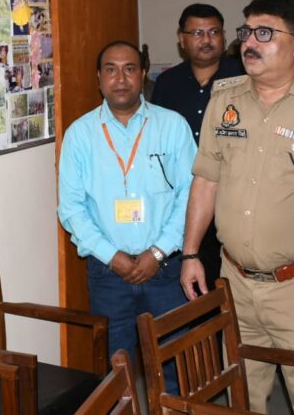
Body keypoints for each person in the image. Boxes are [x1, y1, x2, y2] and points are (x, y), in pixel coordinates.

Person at [180, 0, 294, 415]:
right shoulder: (225, 99)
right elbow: (206, 179)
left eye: (264, 33)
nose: (249, 43)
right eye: (246, 32)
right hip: (235, 280)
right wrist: (190, 253)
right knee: (242, 393)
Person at [57, 40, 196, 393]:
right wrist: (112, 256)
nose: (121, 78)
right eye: (111, 70)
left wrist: (158, 252)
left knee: (174, 371)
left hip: (165, 271)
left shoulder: (172, 126)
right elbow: (71, 208)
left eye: (130, 69)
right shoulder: (80, 134)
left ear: (143, 74)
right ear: (99, 78)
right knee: (115, 374)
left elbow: (190, 196)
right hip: (108, 275)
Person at [152, 3, 243, 285]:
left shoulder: (244, 77)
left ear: (224, 36)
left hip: (234, 198)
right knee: (190, 283)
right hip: (182, 200)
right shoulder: (167, 83)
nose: (206, 40)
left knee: (227, 282)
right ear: (182, 39)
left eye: (214, 32)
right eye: (197, 33)